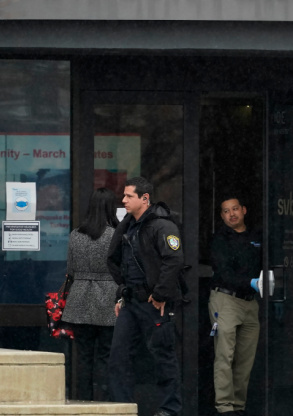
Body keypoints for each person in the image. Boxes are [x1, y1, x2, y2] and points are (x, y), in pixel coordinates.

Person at [107, 176, 184, 416]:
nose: (124, 200)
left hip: (154, 303)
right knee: (118, 357)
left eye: (129, 196)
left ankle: (169, 409)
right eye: (124, 195)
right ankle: (123, 407)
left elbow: (173, 261)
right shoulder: (128, 225)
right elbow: (122, 263)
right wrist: (121, 294)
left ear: (145, 198)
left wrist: (160, 295)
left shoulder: (163, 225)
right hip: (131, 303)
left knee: (163, 357)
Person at [62, 187, 119, 401]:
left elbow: (71, 270)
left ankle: (83, 401)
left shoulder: (76, 235)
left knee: (83, 358)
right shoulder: (116, 236)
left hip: (80, 300)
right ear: (110, 207)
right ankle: (104, 402)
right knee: (106, 356)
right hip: (108, 299)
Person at [208, 195, 262, 416]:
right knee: (225, 356)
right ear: (221, 216)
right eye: (226, 211)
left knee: (245, 359)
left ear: (244, 210)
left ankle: (238, 406)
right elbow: (223, 272)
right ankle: (225, 407)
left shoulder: (256, 236)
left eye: (235, 209)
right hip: (226, 300)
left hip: (250, 303)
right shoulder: (219, 239)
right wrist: (249, 282)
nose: (232, 214)